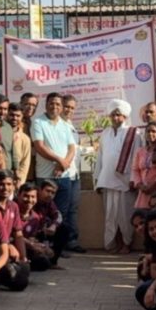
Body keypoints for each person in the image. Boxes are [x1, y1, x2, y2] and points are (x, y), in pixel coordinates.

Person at [94, 99, 137, 253]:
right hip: (107, 180)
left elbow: (136, 158)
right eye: (113, 115)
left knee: (125, 215)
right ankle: (114, 243)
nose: (115, 118)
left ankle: (127, 243)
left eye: (118, 115)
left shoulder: (134, 133)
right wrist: (97, 180)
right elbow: (100, 157)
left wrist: (134, 179)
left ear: (125, 116)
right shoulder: (105, 133)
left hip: (125, 181)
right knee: (110, 215)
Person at [31, 92, 77, 233]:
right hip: (45, 176)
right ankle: (42, 245)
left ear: (62, 107)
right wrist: (59, 160)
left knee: (61, 213)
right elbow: (39, 146)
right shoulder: (38, 122)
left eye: (58, 104)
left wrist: (63, 165)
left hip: (64, 177)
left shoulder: (65, 125)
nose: (54, 106)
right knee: (42, 213)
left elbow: (72, 148)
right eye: (52, 103)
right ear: (46, 105)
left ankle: (59, 248)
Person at [16, 182, 68, 271]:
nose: (50, 195)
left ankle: (52, 262)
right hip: (15, 240)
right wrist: (31, 244)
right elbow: (12, 235)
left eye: (53, 193)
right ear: (39, 190)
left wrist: (53, 226)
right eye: (48, 191)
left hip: (34, 234)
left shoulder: (39, 212)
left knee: (64, 228)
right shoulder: (14, 208)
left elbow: (57, 215)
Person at [60, 94, 86, 253]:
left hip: (75, 173)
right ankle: (60, 243)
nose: (69, 110)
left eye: (72, 108)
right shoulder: (56, 125)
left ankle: (72, 240)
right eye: (66, 106)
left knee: (73, 208)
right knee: (62, 209)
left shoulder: (71, 125)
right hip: (63, 173)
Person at [130, 122, 156, 209]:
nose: (150, 134)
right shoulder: (140, 151)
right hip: (143, 191)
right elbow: (135, 170)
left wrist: (154, 185)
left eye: (154, 131)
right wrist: (140, 185)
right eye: (148, 131)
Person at [8, 102, 32, 187]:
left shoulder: (25, 138)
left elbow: (25, 163)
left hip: (16, 181)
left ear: (22, 117)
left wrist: (20, 181)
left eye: (18, 116)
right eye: (12, 115)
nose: (14, 118)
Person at [0, 94, 14, 171]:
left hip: (6, 173)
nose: (2, 112)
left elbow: (11, 152)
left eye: (5, 109)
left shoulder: (8, 127)